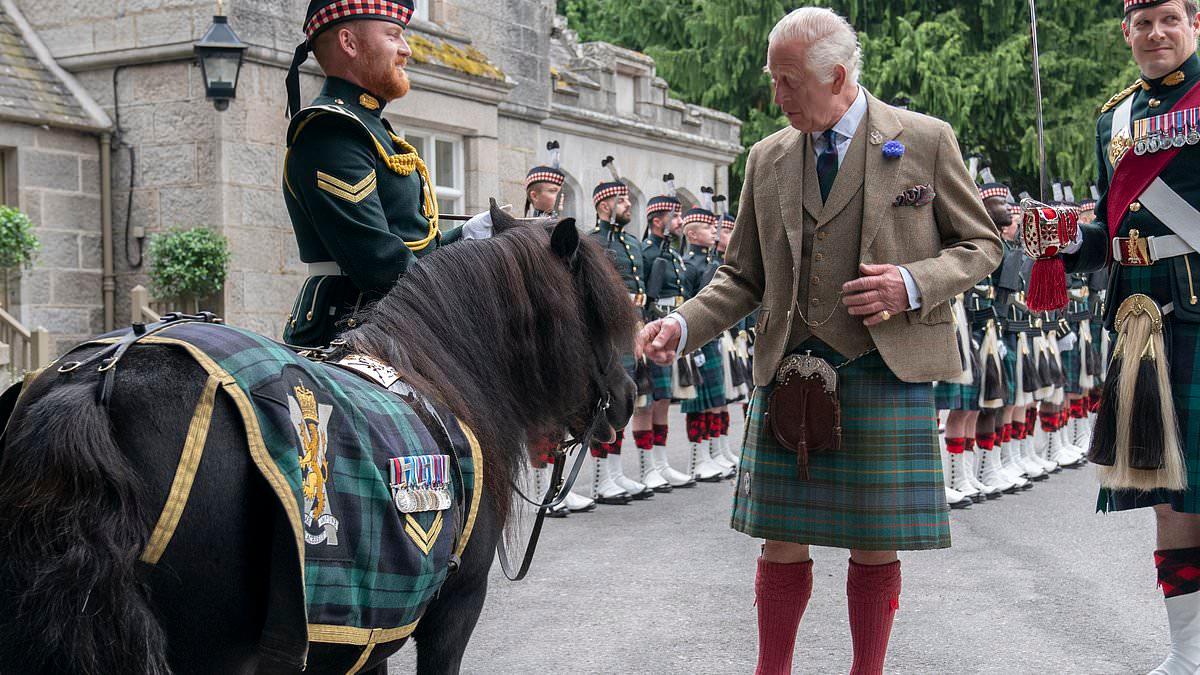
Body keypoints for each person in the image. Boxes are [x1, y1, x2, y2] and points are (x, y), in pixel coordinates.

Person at [637, 8, 1001, 673]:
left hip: (883, 367)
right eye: (773, 79)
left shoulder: (923, 140)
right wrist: (684, 324)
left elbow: (982, 246)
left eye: (788, 81)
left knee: (874, 542)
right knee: (781, 539)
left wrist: (912, 283)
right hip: (789, 371)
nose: (776, 96)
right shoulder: (768, 157)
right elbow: (741, 275)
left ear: (837, 76)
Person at [1047, 1, 1200, 671]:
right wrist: (1061, 240)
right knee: (1169, 498)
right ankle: (1186, 651)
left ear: (1196, 23)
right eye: (1143, 23)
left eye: (1169, 18)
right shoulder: (1114, 118)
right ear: (1126, 33)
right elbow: (1112, 239)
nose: (1156, 34)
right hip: (1141, 321)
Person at [281, 0, 445, 347]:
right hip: (351, 330)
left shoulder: (372, 127)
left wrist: (475, 238)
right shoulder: (331, 130)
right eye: (393, 36)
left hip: (394, 322)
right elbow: (379, 263)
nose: (407, 50)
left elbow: (415, 241)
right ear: (349, 43)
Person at [589, 158, 654, 504]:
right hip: (609, 332)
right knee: (606, 403)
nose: (629, 206)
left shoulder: (630, 242)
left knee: (627, 400)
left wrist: (640, 323)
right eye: (623, 201)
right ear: (604, 205)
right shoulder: (594, 241)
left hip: (632, 327)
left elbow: (639, 290)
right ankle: (600, 481)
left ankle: (615, 475)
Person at [634, 175, 697, 490]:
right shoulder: (645, 253)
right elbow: (642, 293)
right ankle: (647, 469)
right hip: (652, 326)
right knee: (646, 402)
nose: (680, 221)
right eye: (675, 216)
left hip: (671, 326)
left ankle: (661, 463)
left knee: (663, 399)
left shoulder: (673, 253)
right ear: (657, 220)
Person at [680, 191, 735, 482]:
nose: (714, 231)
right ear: (691, 233)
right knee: (698, 401)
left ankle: (716, 451)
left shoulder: (712, 262)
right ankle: (697, 459)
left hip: (712, 338)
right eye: (707, 227)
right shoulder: (690, 265)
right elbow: (686, 302)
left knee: (716, 396)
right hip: (695, 339)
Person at [524, 141, 566, 217]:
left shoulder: (568, 227)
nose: (560, 196)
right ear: (534, 196)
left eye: (560, 191)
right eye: (553, 191)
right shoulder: (527, 228)